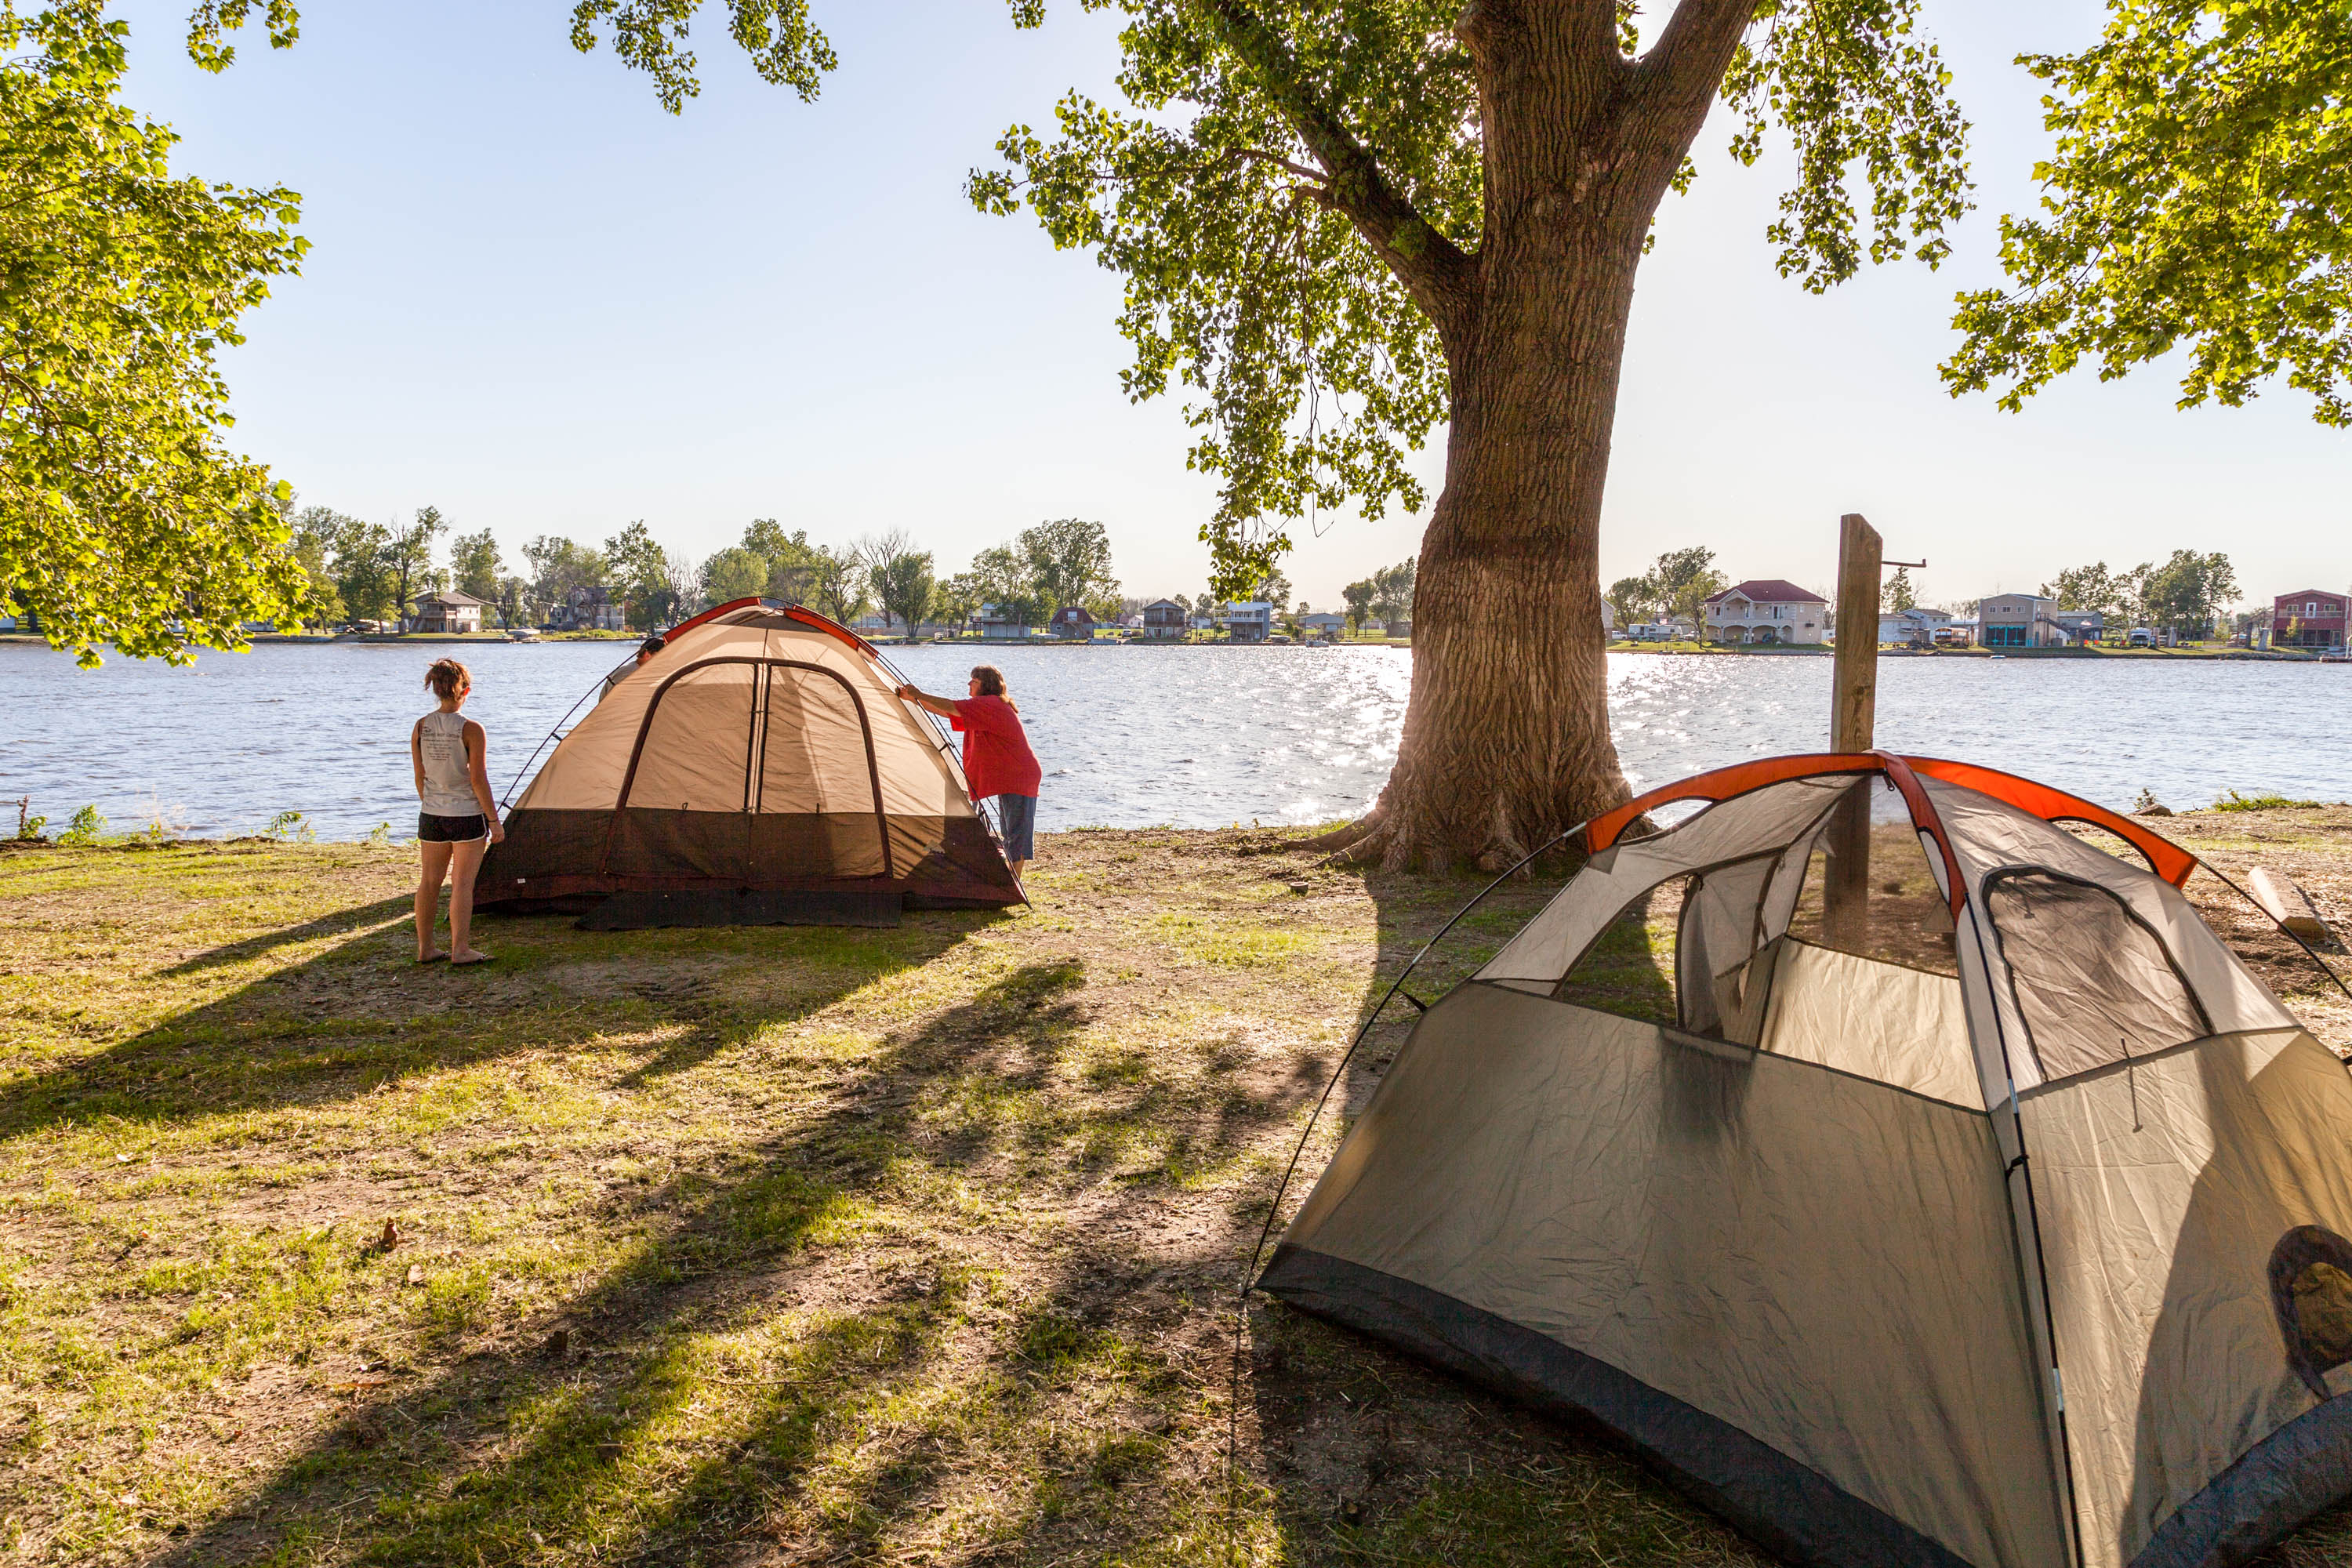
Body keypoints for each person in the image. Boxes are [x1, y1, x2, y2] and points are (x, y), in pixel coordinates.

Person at [895, 666, 1040, 884]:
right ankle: (1010, 880)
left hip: (1019, 776)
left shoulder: (990, 704)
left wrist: (920, 695)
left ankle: (1014, 883)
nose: (969, 684)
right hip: (1010, 776)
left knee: (1016, 833)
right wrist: (913, 699)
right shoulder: (982, 708)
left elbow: (951, 705)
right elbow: (946, 712)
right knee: (1009, 832)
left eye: (973, 680)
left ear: (986, 684)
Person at [412, 658, 505, 964]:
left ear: (436, 690)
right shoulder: (472, 729)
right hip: (465, 816)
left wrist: (431, 803)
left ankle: (426, 948)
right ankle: (460, 950)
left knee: (429, 882)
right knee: (462, 884)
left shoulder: (421, 726)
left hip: (431, 814)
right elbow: (478, 780)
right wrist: (494, 822)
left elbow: (419, 775)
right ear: (466, 690)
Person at [600, 635, 666, 702]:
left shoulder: (635, 669)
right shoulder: (631, 672)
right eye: (660, 657)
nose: (661, 661)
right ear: (647, 655)